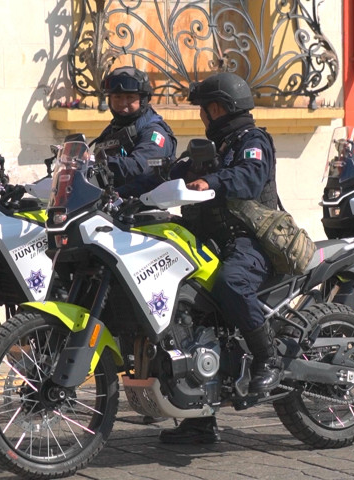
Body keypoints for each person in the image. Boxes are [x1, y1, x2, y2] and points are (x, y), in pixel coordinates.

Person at [159, 72, 279, 444]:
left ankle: (267, 358)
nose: (201, 117)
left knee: (232, 284)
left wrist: (210, 182)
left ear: (218, 109)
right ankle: (198, 417)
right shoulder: (208, 148)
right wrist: (115, 194)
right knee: (183, 310)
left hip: (249, 242)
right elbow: (167, 174)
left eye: (203, 110)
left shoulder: (251, 142)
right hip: (208, 242)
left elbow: (248, 178)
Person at [91, 66, 177, 197]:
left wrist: (96, 161)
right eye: (117, 97)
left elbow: (139, 166)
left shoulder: (154, 132)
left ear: (143, 100)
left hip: (139, 209)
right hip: (108, 205)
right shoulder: (112, 130)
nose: (122, 103)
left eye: (130, 97)